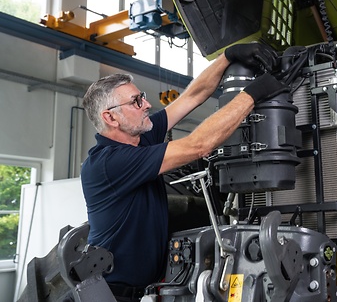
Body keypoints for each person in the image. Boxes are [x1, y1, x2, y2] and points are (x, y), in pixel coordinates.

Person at [80, 43, 286, 302]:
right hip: (111, 295)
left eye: (141, 96)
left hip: (143, 290)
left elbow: (191, 97)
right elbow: (199, 145)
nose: (146, 104)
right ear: (111, 118)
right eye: (136, 101)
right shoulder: (109, 163)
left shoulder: (139, 137)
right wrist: (253, 94)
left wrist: (227, 56)